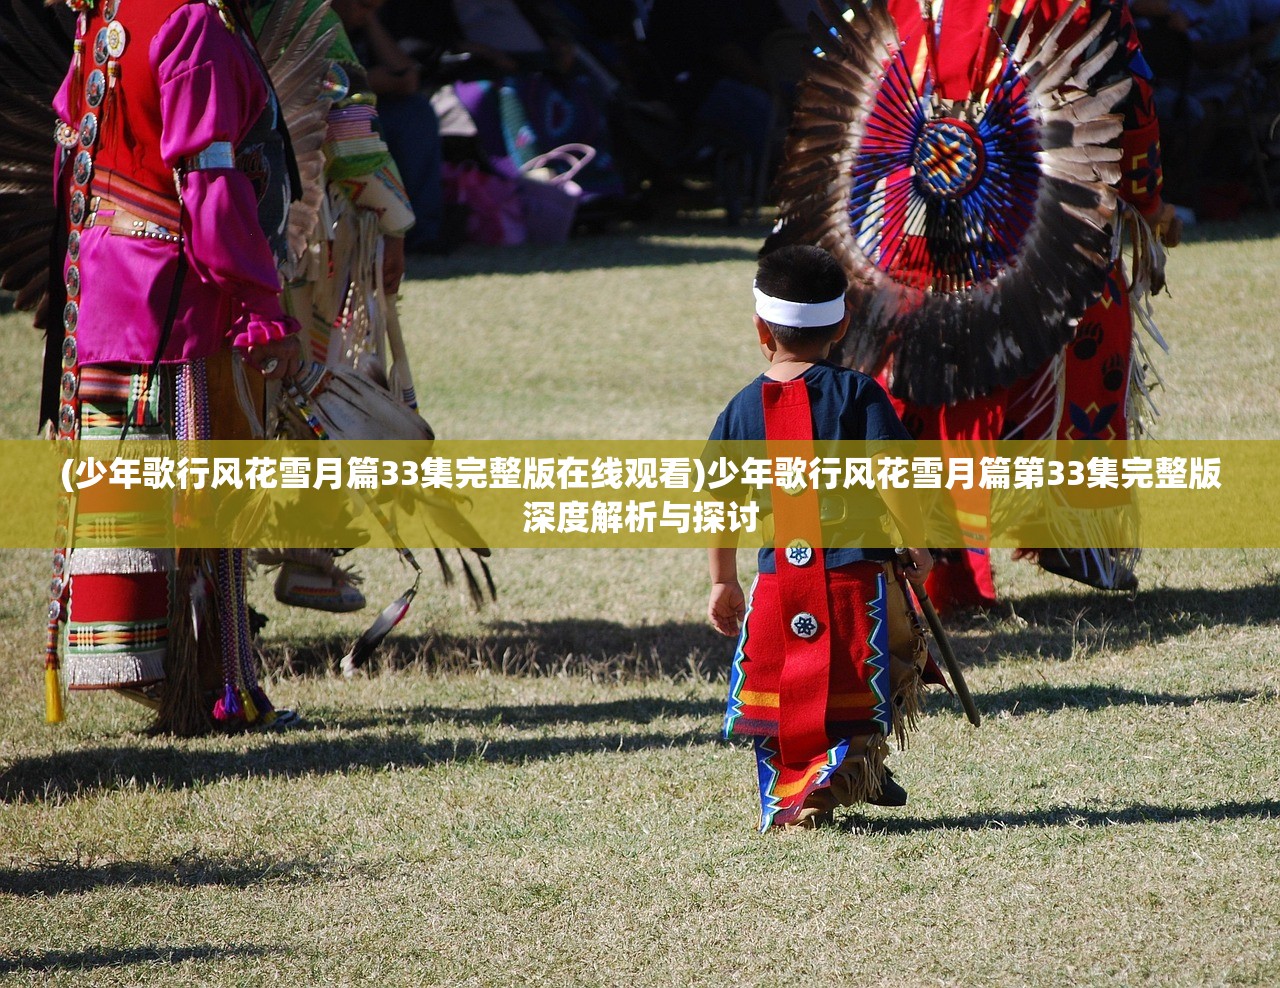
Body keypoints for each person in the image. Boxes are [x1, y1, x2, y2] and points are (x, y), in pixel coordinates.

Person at [45, 0, 303, 733]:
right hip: (177, 292)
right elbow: (208, 182)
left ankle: (192, 687)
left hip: (104, 281)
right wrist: (261, 303)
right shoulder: (193, 23)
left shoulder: (108, 12)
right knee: (204, 504)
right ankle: (218, 694)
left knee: (164, 493)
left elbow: (74, 147)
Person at [705, 245, 938, 831]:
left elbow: (719, 502)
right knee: (886, 667)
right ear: (842, 325)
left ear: (761, 328)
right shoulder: (860, 396)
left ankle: (828, 781)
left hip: (781, 582)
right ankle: (839, 783)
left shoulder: (739, 410)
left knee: (793, 693)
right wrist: (917, 544)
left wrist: (722, 580)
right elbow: (896, 476)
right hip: (855, 578)